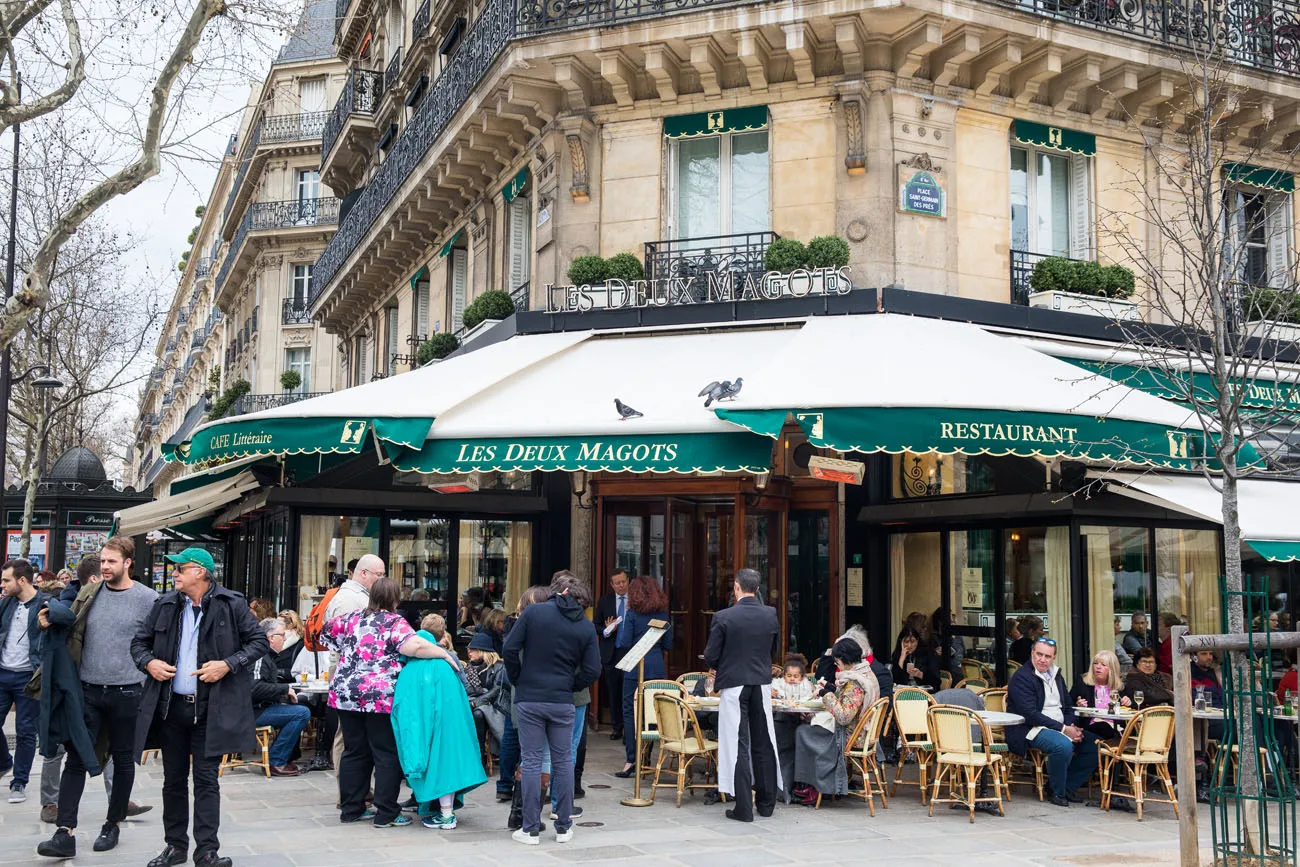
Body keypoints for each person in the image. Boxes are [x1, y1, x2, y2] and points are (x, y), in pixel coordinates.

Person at [130, 547, 266, 867]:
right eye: (174, 569)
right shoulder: (164, 605)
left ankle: (207, 851)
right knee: (173, 781)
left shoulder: (231, 604)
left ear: (201, 572)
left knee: (206, 781)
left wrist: (228, 664)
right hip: (171, 708)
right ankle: (175, 846)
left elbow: (258, 642)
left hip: (210, 709)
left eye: (180, 569)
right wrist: (148, 663)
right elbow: (138, 643)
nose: (174, 574)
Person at [37, 539, 158, 859]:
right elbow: (66, 614)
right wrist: (48, 615)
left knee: (122, 760)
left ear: (128, 562)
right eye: (102, 561)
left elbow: (159, 642)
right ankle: (65, 832)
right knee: (75, 758)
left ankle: (113, 823)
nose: (104, 567)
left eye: (111, 562)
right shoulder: (89, 593)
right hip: (88, 692)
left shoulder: (148, 599)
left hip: (129, 693)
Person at [322, 575, 455, 827]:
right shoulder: (395, 623)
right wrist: (444, 653)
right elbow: (415, 647)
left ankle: (352, 809)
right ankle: (386, 813)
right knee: (385, 754)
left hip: (346, 695)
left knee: (354, 751)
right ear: (395, 599)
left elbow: (325, 634)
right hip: (380, 697)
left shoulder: (350, 619)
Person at [503, 573, 601, 846]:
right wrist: (571, 685)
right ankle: (564, 826)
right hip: (562, 700)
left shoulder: (534, 613)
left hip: (530, 697)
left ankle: (531, 828)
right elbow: (594, 669)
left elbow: (510, 647)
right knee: (563, 761)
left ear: (562, 591)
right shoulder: (585, 626)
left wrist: (517, 677)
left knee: (532, 760)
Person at [703, 567, 781, 822]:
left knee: (738, 743)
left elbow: (712, 655)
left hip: (735, 682)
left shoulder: (724, 616)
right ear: (757, 589)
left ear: (736, 587)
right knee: (764, 739)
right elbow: (774, 649)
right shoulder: (770, 614)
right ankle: (767, 803)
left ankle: (744, 807)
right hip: (761, 680)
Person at [391, 618, 483, 830]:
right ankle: (446, 812)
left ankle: (444, 814)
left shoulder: (408, 669)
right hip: (448, 725)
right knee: (447, 766)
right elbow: (459, 699)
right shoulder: (445, 665)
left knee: (430, 766)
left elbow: (402, 707)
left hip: (420, 727)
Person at [1005, 637, 1098, 807]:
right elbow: (1030, 714)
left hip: (1059, 726)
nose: (1042, 659)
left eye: (1047, 656)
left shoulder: (1056, 675)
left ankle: (1067, 786)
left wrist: (1070, 725)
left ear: (1053, 657)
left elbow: (1068, 705)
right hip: (1030, 728)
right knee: (1062, 745)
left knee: (1095, 745)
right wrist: (1063, 729)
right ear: (1032, 653)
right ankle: (1057, 792)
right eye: (1039, 654)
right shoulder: (1022, 677)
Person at [791, 637, 878, 806]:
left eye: (837, 660)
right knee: (809, 728)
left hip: (850, 734)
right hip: (861, 731)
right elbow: (850, 703)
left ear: (844, 659)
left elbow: (844, 716)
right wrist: (831, 689)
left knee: (803, 731)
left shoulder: (855, 682)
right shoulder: (866, 673)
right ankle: (811, 783)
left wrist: (826, 695)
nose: (836, 664)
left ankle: (814, 786)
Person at [323, 554, 386, 773]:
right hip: (350, 672)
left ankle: (356, 790)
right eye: (379, 574)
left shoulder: (356, 596)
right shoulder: (350, 599)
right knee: (346, 733)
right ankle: (348, 791)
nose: (382, 579)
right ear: (363, 573)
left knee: (354, 733)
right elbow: (347, 642)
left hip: (355, 673)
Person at [614, 576, 672, 777]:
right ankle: (648, 757)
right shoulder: (663, 615)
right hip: (656, 669)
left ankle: (631, 760)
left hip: (635, 665)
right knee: (652, 714)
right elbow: (668, 645)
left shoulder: (631, 614)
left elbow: (624, 642)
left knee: (630, 712)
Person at [0, 557, 47, 804]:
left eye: (6, 580)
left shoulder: (45, 604)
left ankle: (19, 782)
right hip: (2, 672)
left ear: (22, 580)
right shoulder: (5, 603)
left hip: (29, 677)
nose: (2, 585)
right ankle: (4, 762)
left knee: (25, 731)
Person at [251, 618, 312, 776]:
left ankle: (286, 756)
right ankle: (277, 761)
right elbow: (254, 688)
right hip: (250, 712)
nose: (284, 639)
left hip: (259, 708)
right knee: (301, 713)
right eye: (282, 635)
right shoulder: (259, 656)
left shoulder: (265, 655)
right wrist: (284, 689)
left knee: (298, 709)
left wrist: (281, 695)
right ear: (271, 638)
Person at [594, 568, 630, 740]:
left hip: (630, 652)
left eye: (623, 581)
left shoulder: (635, 601)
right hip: (611, 652)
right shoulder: (605, 601)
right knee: (614, 691)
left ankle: (629, 729)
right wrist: (608, 630)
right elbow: (596, 625)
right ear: (612, 585)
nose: (621, 585)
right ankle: (616, 727)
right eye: (617, 583)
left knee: (628, 692)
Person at [1069, 649, 1132, 743]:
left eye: (1103, 665)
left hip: (1115, 727)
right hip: (1090, 726)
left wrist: (1128, 702)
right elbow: (1069, 704)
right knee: (1104, 727)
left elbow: (1131, 708)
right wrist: (1078, 705)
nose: (1098, 667)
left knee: (1110, 731)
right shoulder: (1082, 683)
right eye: (1095, 663)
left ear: (1112, 669)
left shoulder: (1120, 687)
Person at [466, 631, 508, 757]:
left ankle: (480, 755)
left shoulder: (499, 667)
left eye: (473, 649)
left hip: (494, 706)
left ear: (482, 650)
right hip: (474, 702)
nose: (469, 652)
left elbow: (496, 690)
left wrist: (476, 702)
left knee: (478, 713)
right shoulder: (469, 668)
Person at [891, 626, 940, 690]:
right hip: (903, 692)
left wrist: (921, 675)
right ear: (901, 642)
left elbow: (936, 681)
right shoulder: (897, 655)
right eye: (906, 641)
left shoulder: (928, 654)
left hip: (924, 693)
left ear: (917, 641)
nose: (909, 645)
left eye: (912, 641)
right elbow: (895, 681)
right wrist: (901, 659)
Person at [931, 606, 965, 674]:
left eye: (952, 616)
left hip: (961, 669)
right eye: (949, 618)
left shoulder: (957, 636)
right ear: (940, 622)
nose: (952, 620)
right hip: (946, 671)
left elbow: (964, 653)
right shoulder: (935, 638)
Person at [273, 610, 305, 679]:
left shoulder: (300, 645)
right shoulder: (274, 639)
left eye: (279, 624)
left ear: (291, 625)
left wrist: (277, 672)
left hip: (287, 683)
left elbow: (299, 670)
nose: (275, 627)